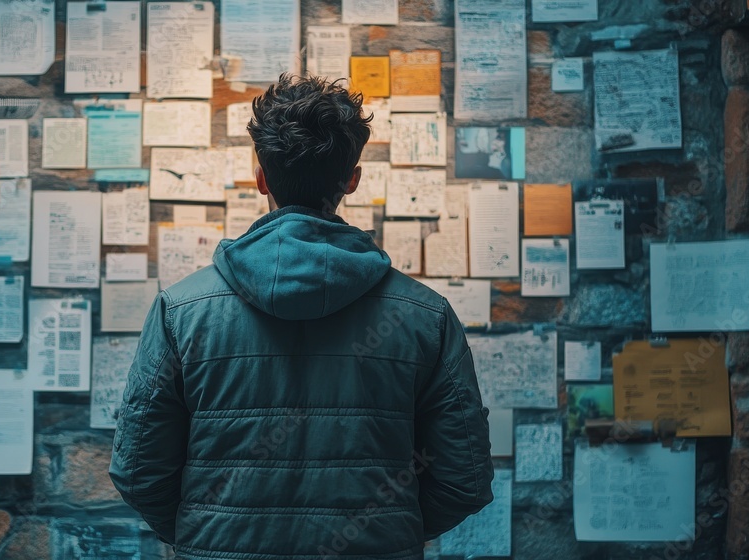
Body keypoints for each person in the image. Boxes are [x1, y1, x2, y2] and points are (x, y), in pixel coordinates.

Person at [109, 74, 494, 560]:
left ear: (261, 178)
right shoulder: (426, 317)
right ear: (352, 179)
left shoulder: (180, 312)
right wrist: (392, 528)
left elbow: (138, 471)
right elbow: (467, 477)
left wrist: (205, 531)